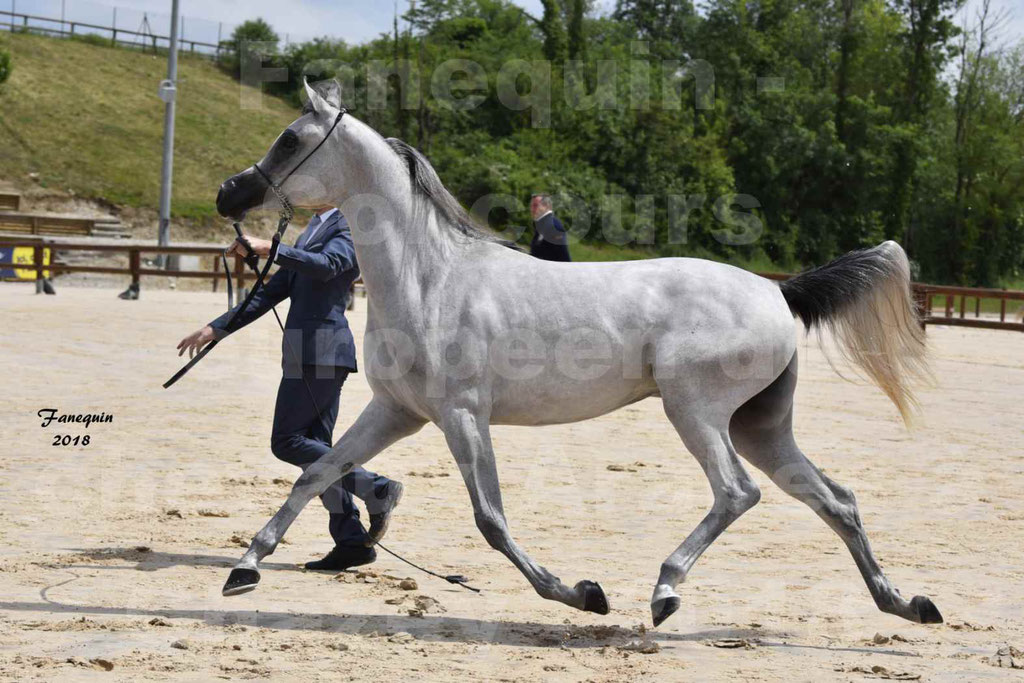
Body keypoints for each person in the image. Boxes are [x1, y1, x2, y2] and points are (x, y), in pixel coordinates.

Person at [177, 206, 403, 571]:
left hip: (323, 350)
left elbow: (330, 264)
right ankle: (350, 541)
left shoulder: (350, 222)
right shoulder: (315, 226)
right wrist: (217, 328)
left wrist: (271, 248)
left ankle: (375, 487)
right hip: (306, 350)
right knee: (316, 451)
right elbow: (274, 290)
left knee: (287, 441)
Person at [529, 194, 571, 262]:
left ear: (546, 206)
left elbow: (563, 258)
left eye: (535, 205)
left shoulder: (554, 226)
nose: (532, 209)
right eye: (531, 206)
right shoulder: (542, 224)